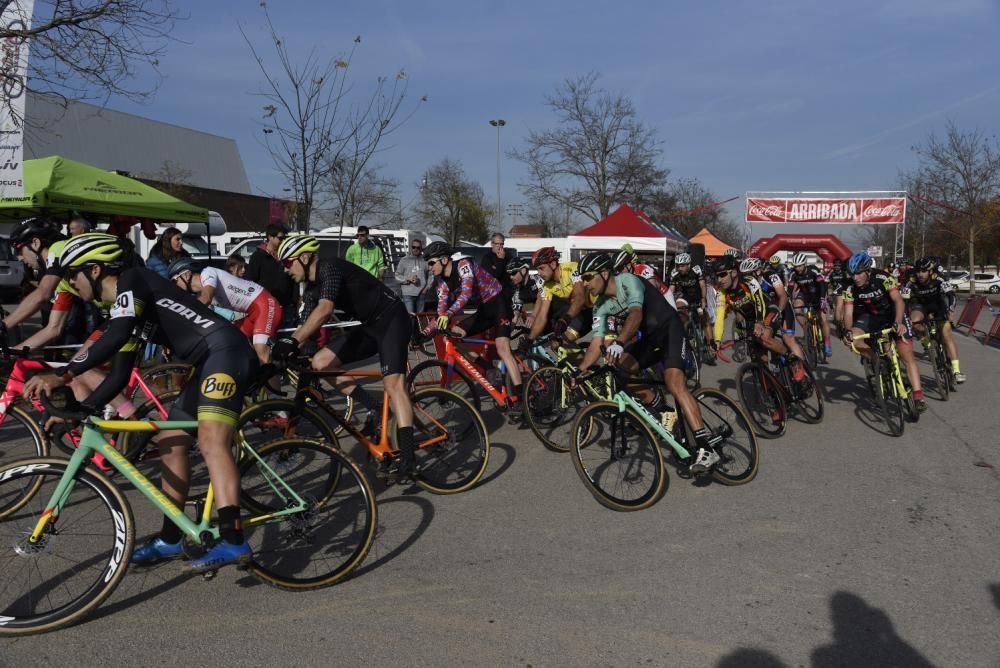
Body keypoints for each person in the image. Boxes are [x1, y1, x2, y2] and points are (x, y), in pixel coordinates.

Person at [23, 234, 258, 571]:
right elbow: (119, 376)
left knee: (210, 439)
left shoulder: (132, 281)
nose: (71, 285)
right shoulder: (129, 311)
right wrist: (77, 411)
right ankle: (171, 537)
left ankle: (234, 540)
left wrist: (63, 375)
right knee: (171, 442)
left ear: (94, 269)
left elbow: (115, 337)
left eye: (72, 276)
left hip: (227, 353)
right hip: (208, 361)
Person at [273, 235, 418, 479]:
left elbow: (325, 309)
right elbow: (307, 322)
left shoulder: (330, 268)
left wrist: (292, 340)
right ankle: (375, 408)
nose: (286, 270)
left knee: (393, 384)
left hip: (393, 319)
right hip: (370, 326)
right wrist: (291, 350)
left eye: (288, 264)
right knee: (320, 363)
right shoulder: (311, 289)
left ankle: (409, 457)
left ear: (305, 258)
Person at [574, 252, 723, 473]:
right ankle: (663, 410)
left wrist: (620, 341)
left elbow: (635, 314)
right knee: (620, 371)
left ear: (604, 273)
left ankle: (705, 446)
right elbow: (596, 343)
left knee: (674, 383)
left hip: (670, 331)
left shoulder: (629, 281)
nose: (585, 285)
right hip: (651, 339)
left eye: (588, 277)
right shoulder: (601, 306)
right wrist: (579, 372)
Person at [422, 241, 524, 414]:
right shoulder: (441, 282)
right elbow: (441, 311)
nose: (429, 267)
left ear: (445, 259)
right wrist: (424, 333)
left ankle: (520, 397)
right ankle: (488, 368)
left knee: (502, 348)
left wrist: (449, 314)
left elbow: (466, 293)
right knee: (454, 336)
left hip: (499, 303)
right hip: (484, 309)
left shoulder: (463, 265)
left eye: (432, 263)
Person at [841, 251, 926, 412]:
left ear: (868, 271)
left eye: (859, 273)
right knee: (854, 339)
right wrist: (847, 331)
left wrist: (899, 322)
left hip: (893, 314)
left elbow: (898, 300)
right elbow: (848, 313)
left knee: (906, 355)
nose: (855, 278)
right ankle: (876, 361)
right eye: (852, 274)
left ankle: (918, 395)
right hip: (871, 317)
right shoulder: (849, 287)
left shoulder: (883, 278)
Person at [710, 255, 808, 383]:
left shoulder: (749, 280)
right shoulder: (721, 293)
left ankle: (793, 359)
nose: (719, 279)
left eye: (722, 275)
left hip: (767, 311)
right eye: (716, 276)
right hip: (752, 319)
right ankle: (772, 387)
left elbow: (759, 301)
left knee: (765, 338)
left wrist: (760, 322)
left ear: (733, 272)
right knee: (760, 358)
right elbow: (719, 317)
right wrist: (716, 340)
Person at [168, 259, 282, 364]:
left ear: (186, 275)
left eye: (174, 281)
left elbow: (206, 298)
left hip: (264, 304)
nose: (174, 287)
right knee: (233, 347)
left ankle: (272, 379)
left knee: (262, 355)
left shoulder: (207, 273)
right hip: (250, 314)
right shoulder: (199, 297)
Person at [903, 256, 964, 383]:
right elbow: (904, 302)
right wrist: (905, 318)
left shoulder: (939, 279)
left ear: (930, 271)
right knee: (913, 322)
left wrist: (951, 310)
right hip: (921, 306)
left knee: (946, 334)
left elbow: (951, 296)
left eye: (923, 271)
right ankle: (926, 341)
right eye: (918, 271)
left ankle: (956, 370)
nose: (920, 274)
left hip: (938, 305)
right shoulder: (911, 281)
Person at [523, 246, 591, 346]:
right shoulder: (547, 286)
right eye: (537, 269)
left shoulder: (572, 269)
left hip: (591, 310)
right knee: (556, 344)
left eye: (541, 268)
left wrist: (565, 319)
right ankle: (579, 360)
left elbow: (579, 298)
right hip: (577, 313)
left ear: (553, 264)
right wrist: (529, 340)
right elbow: (542, 316)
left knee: (565, 340)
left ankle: (586, 360)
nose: (539, 273)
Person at [750, 256, 806, 363]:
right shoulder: (749, 285)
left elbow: (782, 295)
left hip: (782, 308)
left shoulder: (771, 275)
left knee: (788, 339)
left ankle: (801, 369)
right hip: (768, 312)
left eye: (750, 273)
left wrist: (779, 312)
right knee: (764, 338)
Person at [246, 224, 297, 328]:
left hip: (287, 306)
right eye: (280, 238)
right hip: (266, 307)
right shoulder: (258, 257)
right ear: (270, 236)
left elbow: (294, 279)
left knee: (285, 338)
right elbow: (251, 281)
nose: (283, 241)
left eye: (284, 238)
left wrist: (295, 301)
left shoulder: (286, 256)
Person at [668, 252, 713, 364]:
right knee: (679, 308)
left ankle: (710, 344)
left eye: (682, 265)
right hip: (686, 297)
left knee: (703, 317)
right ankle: (685, 332)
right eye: (677, 265)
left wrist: (703, 299)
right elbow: (671, 290)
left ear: (689, 264)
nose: (679, 268)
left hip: (698, 296)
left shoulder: (696, 270)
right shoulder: (675, 273)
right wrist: (668, 303)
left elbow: (702, 285)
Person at [787, 252, 833, 358]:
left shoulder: (813, 269)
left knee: (823, 318)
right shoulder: (793, 273)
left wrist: (822, 299)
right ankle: (806, 329)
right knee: (796, 308)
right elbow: (790, 289)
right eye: (796, 266)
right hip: (804, 295)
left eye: (800, 265)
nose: (798, 268)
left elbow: (822, 285)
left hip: (817, 294)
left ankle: (827, 342)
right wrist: (788, 300)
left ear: (805, 264)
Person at [394, 237, 430, 314]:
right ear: (411, 247)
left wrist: (427, 287)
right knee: (410, 317)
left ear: (421, 248)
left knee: (420, 318)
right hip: (408, 294)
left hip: (421, 293)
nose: (415, 249)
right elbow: (397, 276)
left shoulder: (425, 260)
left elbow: (431, 275)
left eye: (418, 247)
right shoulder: (404, 260)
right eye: (413, 247)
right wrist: (408, 279)